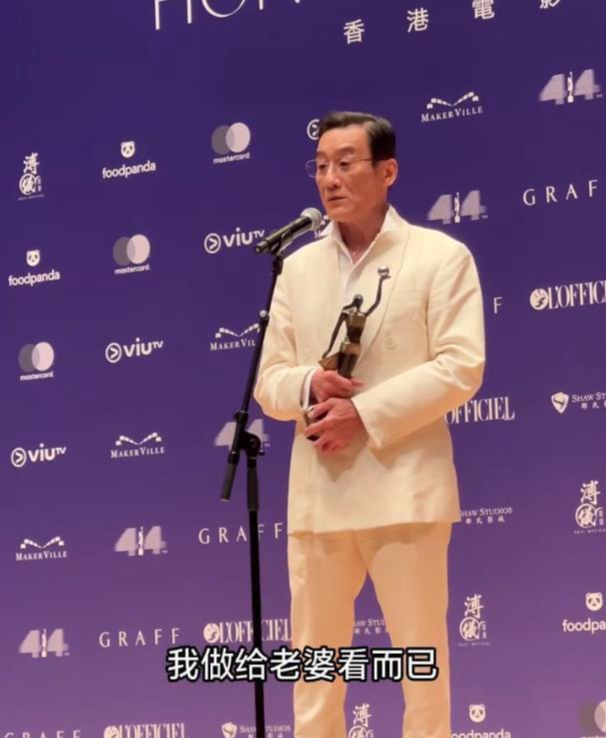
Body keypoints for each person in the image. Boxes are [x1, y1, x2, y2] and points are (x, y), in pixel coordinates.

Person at [254, 111, 486, 738]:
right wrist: (309, 384)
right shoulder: (296, 268)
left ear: (388, 171)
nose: (329, 178)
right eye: (320, 166)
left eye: (345, 163)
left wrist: (363, 412)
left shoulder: (441, 257)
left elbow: (461, 366)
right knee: (314, 679)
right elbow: (269, 380)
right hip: (318, 498)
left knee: (422, 673)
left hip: (404, 494)